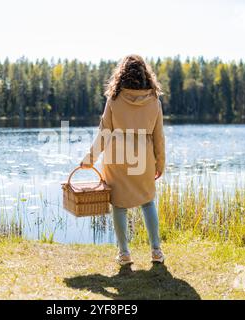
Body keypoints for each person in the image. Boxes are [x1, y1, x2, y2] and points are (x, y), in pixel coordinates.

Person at [80, 54, 166, 265]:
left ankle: (124, 253)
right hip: (143, 160)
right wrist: (160, 163)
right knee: (147, 202)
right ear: (146, 75)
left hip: (117, 158)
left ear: (121, 75)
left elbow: (104, 133)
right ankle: (156, 251)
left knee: (119, 205)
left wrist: (90, 159)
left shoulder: (114, 99)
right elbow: (159, 137)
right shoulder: (154, 100)